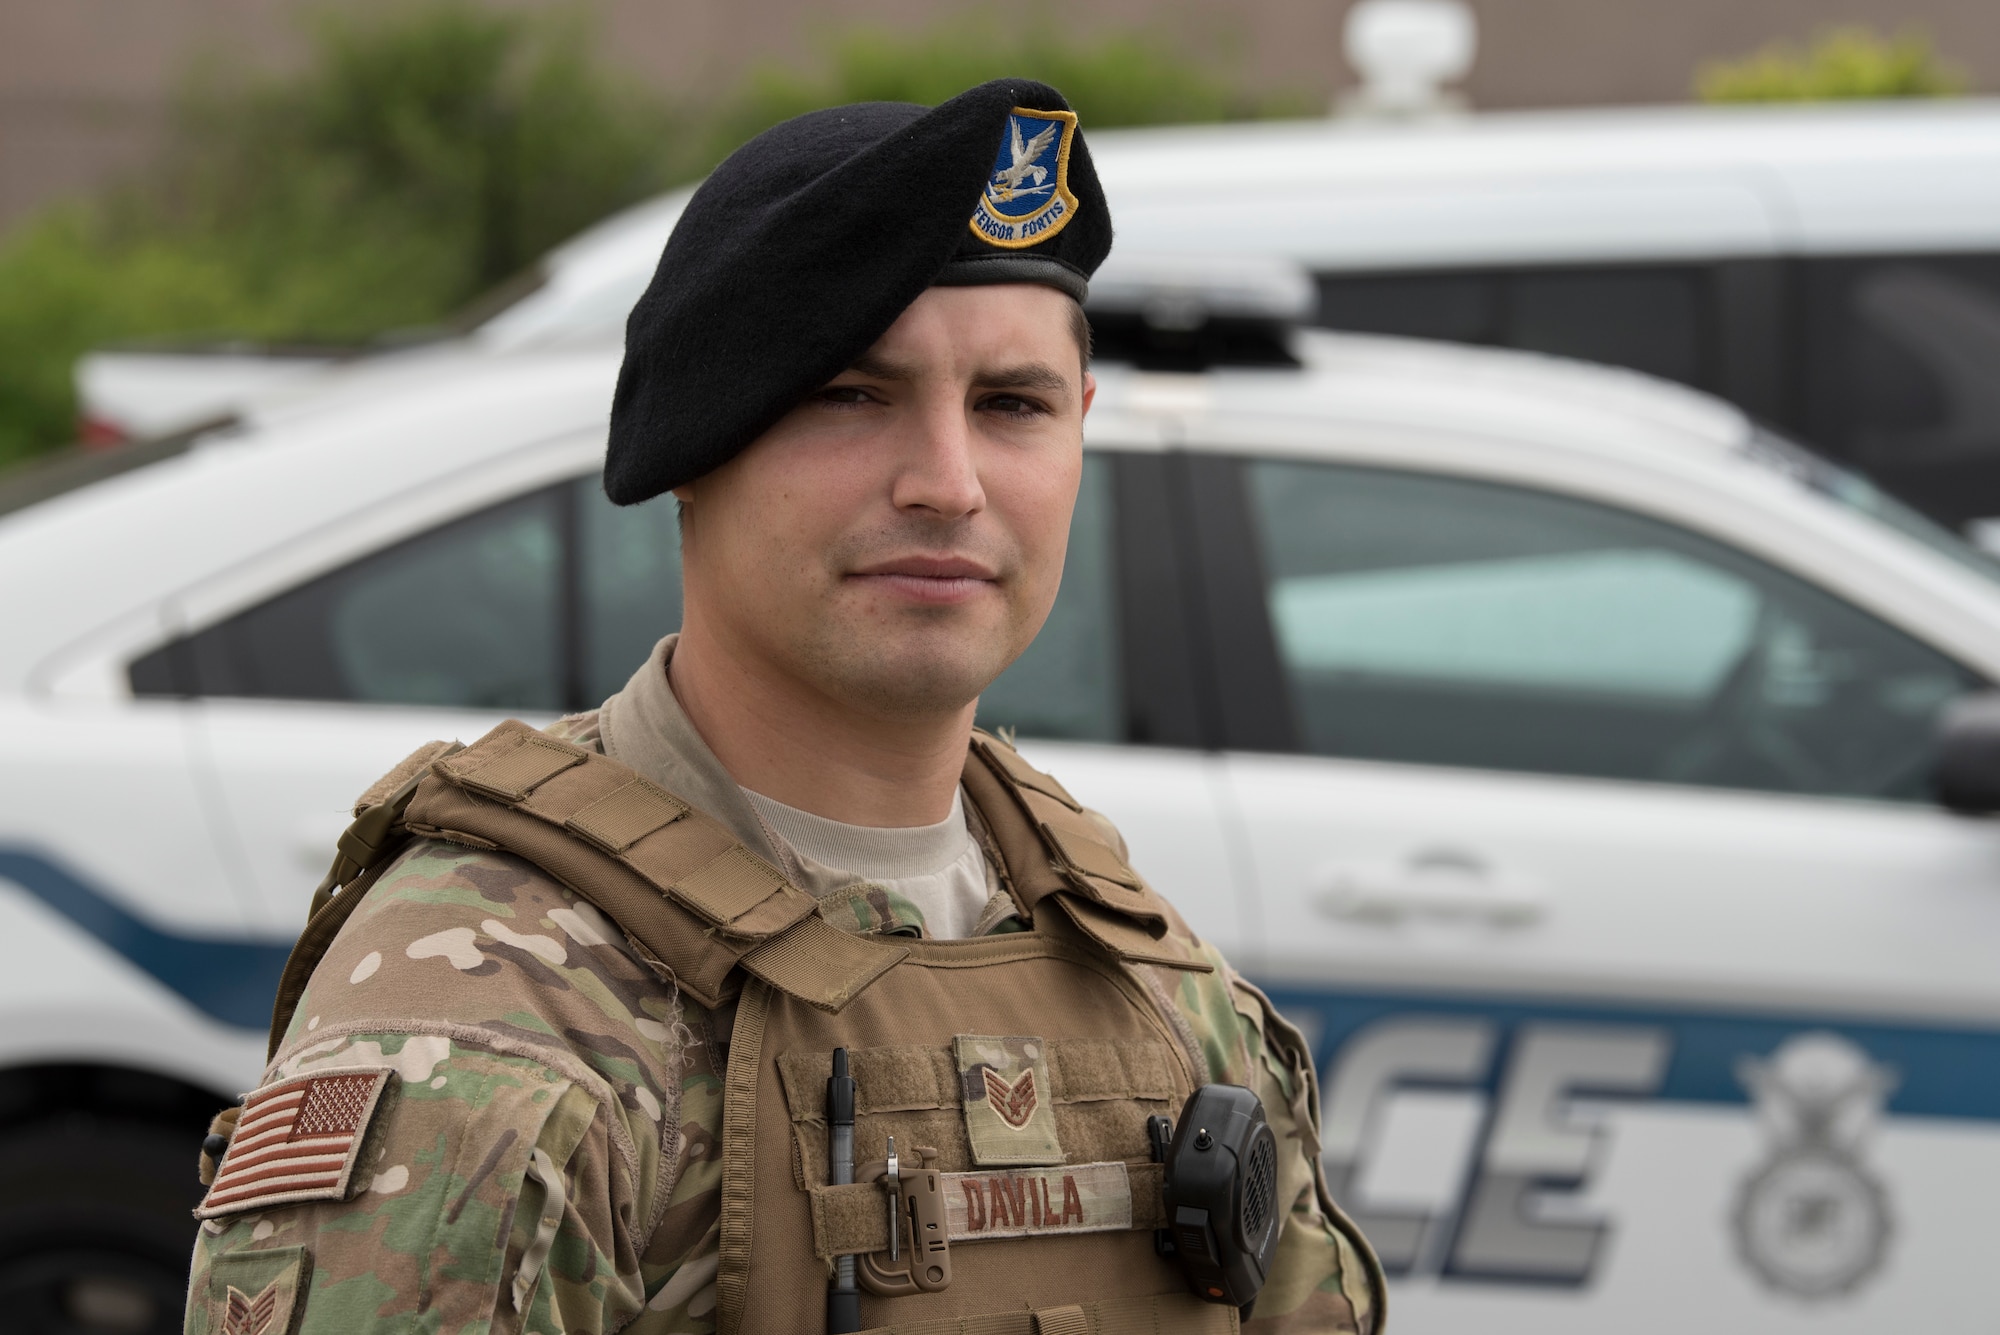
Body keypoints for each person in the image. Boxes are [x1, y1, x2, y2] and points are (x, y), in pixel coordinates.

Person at [182, 79, 1383, 1335]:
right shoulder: (497, 1017)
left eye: (1009, 405)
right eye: (849, 396)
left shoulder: (1125, 954)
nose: (948, 483)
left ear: (1079, 430)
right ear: (696, 442)